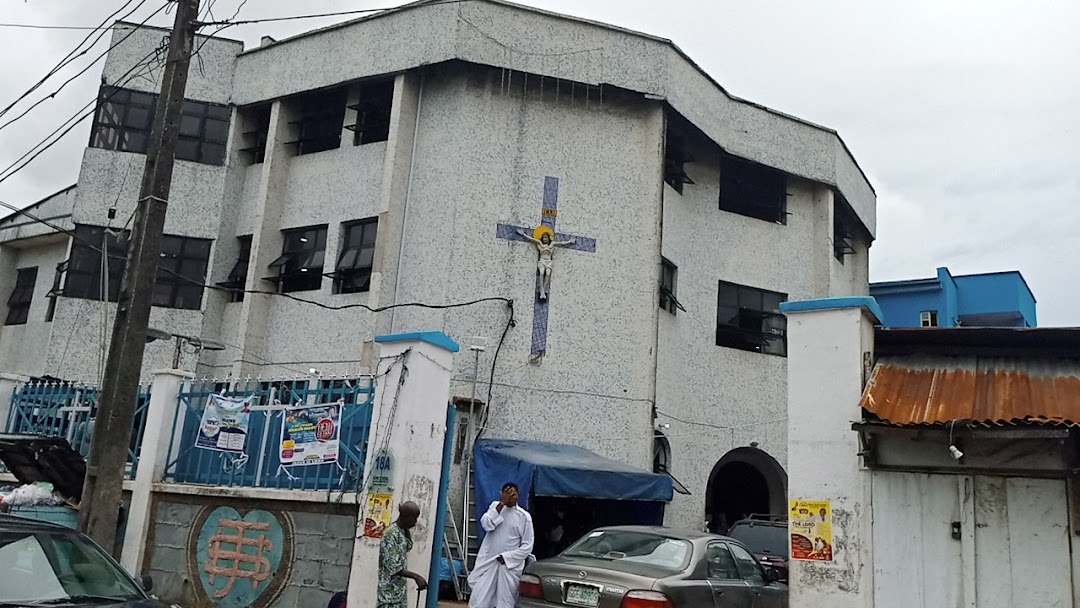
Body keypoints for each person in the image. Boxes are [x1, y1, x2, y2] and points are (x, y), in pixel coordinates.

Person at [468, 482, 535, 608]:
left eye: (513, 493)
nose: (511, 496)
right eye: (507, 493)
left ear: (518, 496)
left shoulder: (524, 517)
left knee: (504, 602)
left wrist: (507, 557)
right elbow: (487, 524)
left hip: (508, 567)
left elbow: (527, 546)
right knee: (479, 598)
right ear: (502, 494)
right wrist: (501, 504)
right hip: (489, 562)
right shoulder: (495, 507)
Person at [378, 501, 428, 608]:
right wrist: (416, 577)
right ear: (406, 517)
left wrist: (405, 527)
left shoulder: (401, 531)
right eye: (414, 518)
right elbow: (394, 567)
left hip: (399, 596)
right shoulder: (391, 534)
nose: (415, 522)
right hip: (389, 598)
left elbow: (408, 546)